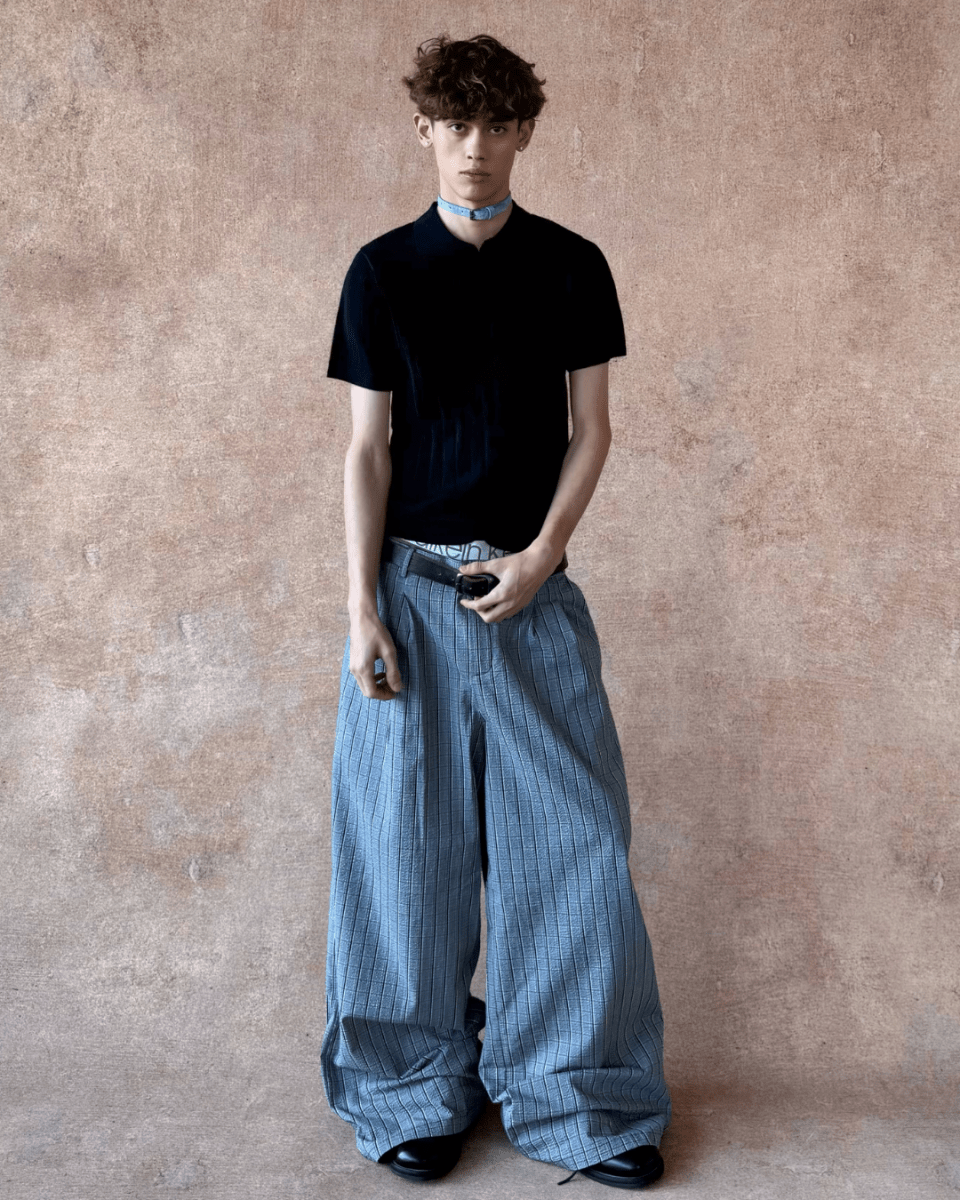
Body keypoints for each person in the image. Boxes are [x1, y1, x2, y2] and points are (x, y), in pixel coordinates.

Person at [321, 32, 671, 1190]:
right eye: (455, 123)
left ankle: (582, 1096)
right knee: (400, 855)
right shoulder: (381, 272)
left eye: (497, 124)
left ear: (524, 132)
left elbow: (592, 431)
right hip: (409, 598)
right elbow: (367, 451)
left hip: (532, 595)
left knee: (575, 848)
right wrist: (361, 607)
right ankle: (409, 1087)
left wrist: (542, 556)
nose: (475, 146)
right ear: (424, 129)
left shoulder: (572, 266)